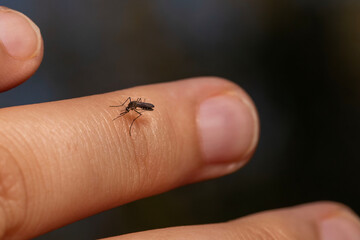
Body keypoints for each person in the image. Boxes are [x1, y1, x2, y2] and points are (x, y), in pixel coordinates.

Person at [0, 6, 359, 240]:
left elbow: (135, 109)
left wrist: (132, 115)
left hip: (148, 108)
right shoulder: (131, 106)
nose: (129, 110)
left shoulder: (135, 108)